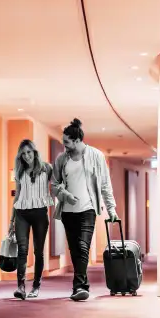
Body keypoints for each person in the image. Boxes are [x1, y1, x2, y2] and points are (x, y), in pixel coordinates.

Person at [51, 118, 119, 301]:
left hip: (88, 209)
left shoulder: (96, 156)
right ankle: (79, 285)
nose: (64, 145)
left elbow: (105, 184)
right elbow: (54, 184)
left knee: (83, 246)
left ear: (76, 140)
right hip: (67, 211)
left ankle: (81, 286)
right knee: (75, 249)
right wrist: (65, 195)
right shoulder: (61, 159)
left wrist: (111, 209)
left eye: (66, 142)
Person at [9, 139, 54, 300]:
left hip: (40, 214)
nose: (27, 156)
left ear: (34, 152)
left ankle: (36, 286)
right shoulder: (19, 171)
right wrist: (11, 221)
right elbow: (17, 196)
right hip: (22, 214)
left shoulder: (47, 168)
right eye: (23, 154)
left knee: (38, 252)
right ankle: (20, 287)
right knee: (22, 250)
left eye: (29, 152)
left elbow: (56, 187)